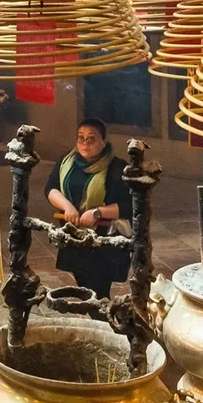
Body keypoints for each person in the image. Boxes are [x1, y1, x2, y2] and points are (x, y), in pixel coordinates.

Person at [46, 119, 132, 299]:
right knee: (84, 283)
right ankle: (100, 320)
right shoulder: (66, 162)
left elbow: (128, 205)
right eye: (81, 138)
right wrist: (67, 206)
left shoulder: (117, 168)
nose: (85, 144)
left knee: (98, 288)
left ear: (103, 141)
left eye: (91, 139)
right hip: (75, 235)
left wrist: (97, 212)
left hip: (103, 239)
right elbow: (51, 188)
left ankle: (102, 322)